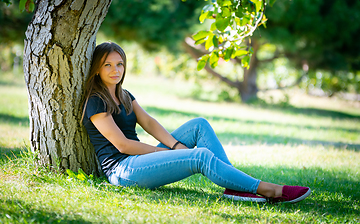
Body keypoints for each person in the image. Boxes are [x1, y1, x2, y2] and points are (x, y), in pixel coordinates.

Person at [81, 42, 311, 203]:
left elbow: (149, 123)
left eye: (119, 64)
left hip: (141, 160)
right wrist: (163, 154)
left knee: (199, 125)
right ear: (97, 69)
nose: (115, 70)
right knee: (199, 156)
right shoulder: (95, 101)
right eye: (107, 65)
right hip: (123, 170)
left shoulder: (124, 95)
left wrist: (173, 146)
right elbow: (123, 145)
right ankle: (271, 190)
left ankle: (235, 187)